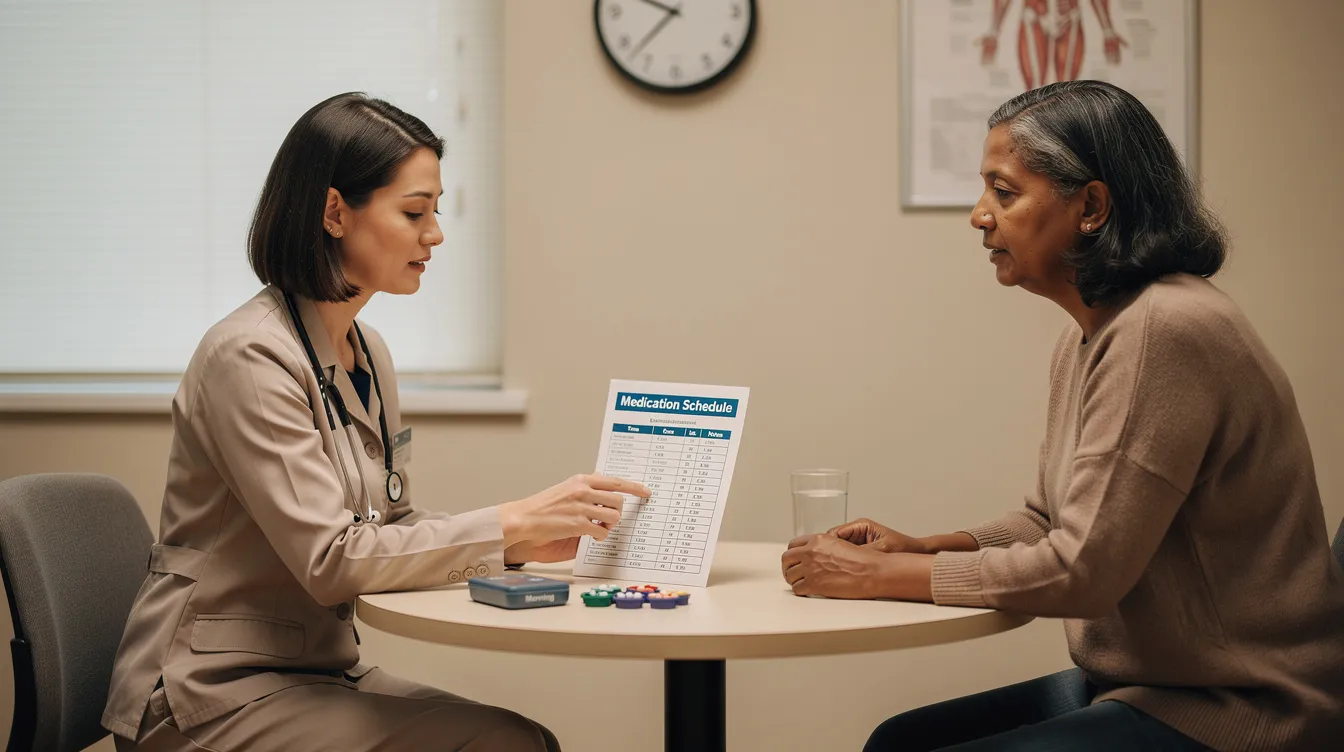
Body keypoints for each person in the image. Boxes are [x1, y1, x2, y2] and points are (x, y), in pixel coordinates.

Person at [780, 81, 1344, 751]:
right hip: (1150, 687)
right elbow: (1049, 522)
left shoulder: (1165, 329)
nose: (979, 215)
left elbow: (1082, 570)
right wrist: (924, 547)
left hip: (1243, 706)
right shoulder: (1095, 333)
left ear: (1092, 206)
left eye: (1005, 192)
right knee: (898, 741)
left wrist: (881, 577)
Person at [102, 92, 650, 751]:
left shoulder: (364, 351)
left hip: (313, 671)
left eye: (436, 211)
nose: (436, 233)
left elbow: (386, 525)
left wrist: (517, 546)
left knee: (524, 739)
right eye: (414, 211)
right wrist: (511, 519)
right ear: (335, 212)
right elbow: (334, 559)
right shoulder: (249, 357)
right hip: (209, 693)